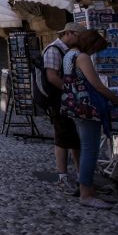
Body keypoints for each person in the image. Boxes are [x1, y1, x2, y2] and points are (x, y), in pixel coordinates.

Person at [60, 29, 118, 209]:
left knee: (86, 148)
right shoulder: (82, 57)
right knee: (90, 150)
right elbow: (97, 85)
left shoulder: (69, 55)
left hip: (74, 106)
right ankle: (86, 193)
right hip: (87, 108)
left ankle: (87, 188)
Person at [43, 22, 84, 195]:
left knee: (75, 138)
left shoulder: (68, 51)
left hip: (68, 100)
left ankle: (83, 177)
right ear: (68, 34)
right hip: (58, 101)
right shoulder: (54, 50)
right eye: (78, 37)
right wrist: (71, 93)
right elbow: (52, 77)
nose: (79, 41)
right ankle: (62, 178)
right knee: (62, 137)